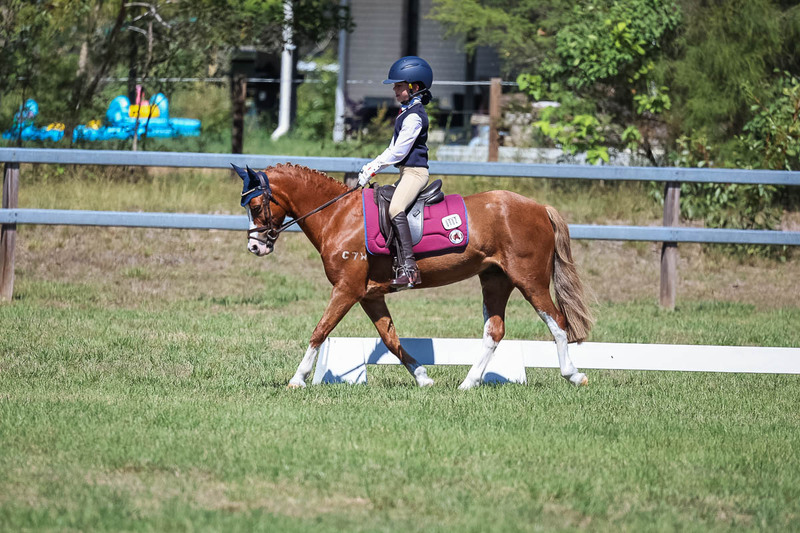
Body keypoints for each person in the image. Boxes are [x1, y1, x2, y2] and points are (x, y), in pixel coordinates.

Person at [358, 56, 433, 289]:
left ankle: (409, 269)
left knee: (395, 208)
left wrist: (373, 167)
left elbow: (398, 152)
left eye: (399, 86)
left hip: (415, 173)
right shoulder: (405, 112)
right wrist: (372, 166)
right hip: (406, 172)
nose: (394, 89)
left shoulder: (413, 116)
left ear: (415, 87)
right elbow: (392, 148)